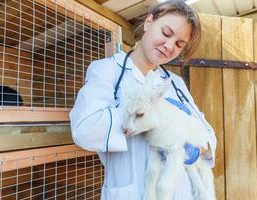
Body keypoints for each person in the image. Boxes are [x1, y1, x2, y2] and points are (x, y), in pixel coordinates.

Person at [70, 0, 217, 199]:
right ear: (149, 22)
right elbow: (85, 129)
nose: (169, 46)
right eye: (166, 33)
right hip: (131, 191)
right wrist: (143, 112)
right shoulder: (107, 70)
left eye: (179, 44)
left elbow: (207, 135)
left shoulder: (175, 83)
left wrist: (196, 147)